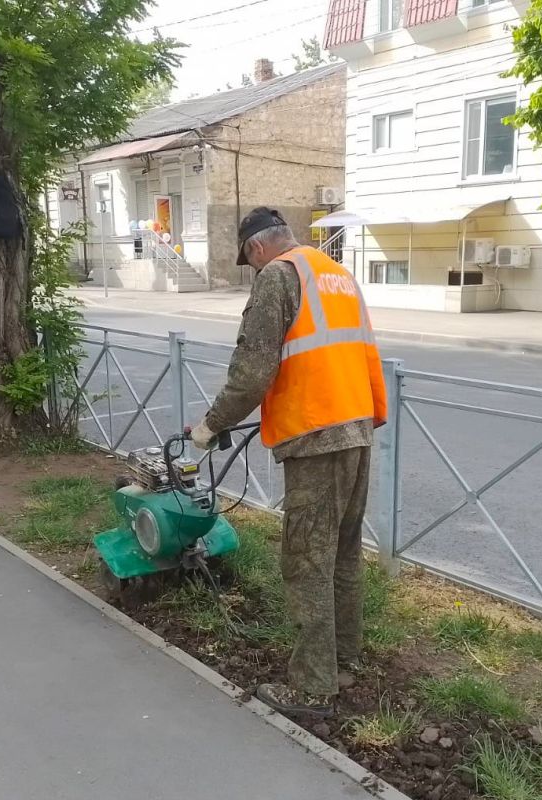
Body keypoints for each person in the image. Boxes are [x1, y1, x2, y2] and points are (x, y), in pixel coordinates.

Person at [190, 207, 387, 717]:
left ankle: (312, 687)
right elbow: (364, 353)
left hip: (316, 437)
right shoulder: (336, 275)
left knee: (306, 561)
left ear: (256, 249)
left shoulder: (278, 277)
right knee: (342, 552)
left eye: (249, 263)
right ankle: (345, 657)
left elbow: (252, 371)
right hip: (357, 428)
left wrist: (211, 426)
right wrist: (368, 417)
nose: (253, 270)